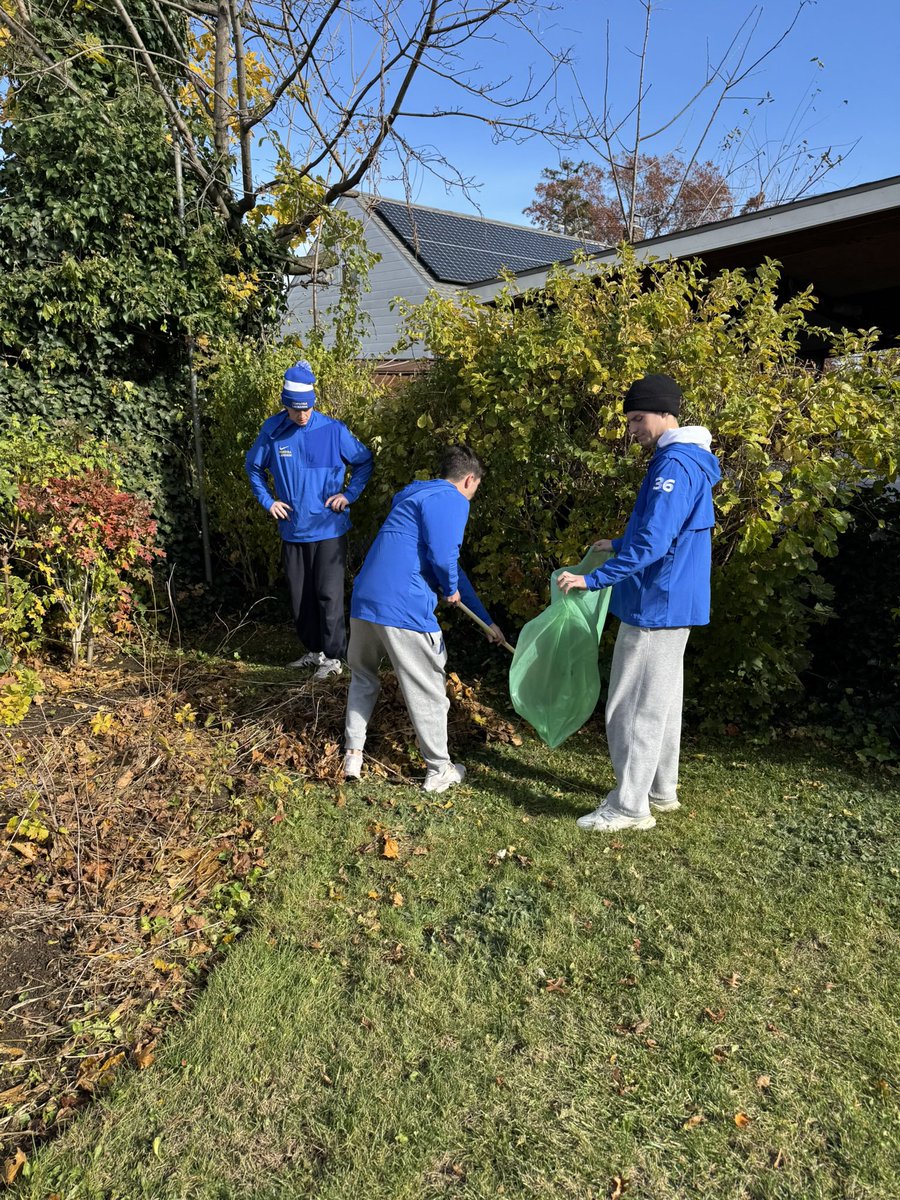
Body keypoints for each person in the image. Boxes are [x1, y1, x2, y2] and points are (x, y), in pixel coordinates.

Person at [557, 373, 720, 832]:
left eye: (637, 418)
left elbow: (654, 540)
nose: (632, 428)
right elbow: (661, 528)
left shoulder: (673, 465)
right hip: (676, 603)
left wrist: (594, 580)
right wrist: (616, 541)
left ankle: (630, 807)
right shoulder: (690, 460)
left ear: (665, 413)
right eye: (629, 420)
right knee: (663, 703)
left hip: (656, 603)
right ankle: (660, 791)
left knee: (630, 707)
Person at [343, 444, 505, 792]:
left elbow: (452, 570)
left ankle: (353, 754)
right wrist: (448, 588)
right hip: (402, 605)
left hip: (365, 600)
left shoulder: (415, 499)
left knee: (363, 677)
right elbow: (445, 557)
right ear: (468, 480)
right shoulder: (452, 500)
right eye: (476, 488)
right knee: (428, 690)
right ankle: (438, 770)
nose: (473, 496)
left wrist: (486, 620)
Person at [245, 360, 373, 681]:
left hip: (329, 529)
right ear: (285, 405)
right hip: (293, 530)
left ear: (314, 402)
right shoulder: (272, 432)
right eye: (296, 410)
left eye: (307, 409)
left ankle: (333, 658)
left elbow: (364, 461)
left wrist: (349, 495)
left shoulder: (332, 430)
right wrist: (267, 501)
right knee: (301, 597)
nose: (302, 415)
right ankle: (313, 651)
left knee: (329, 595)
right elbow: (254, 468)